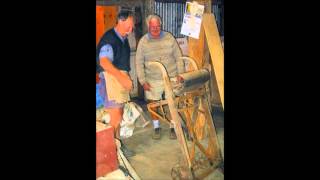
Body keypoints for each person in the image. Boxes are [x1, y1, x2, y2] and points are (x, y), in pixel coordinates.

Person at [135, 14, 185, 140]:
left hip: (171, 76)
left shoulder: (169, 38)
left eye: (158, 26)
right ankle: (156, 127)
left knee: (173, 102)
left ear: (161, 25)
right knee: (154, 104)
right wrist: (142, 81)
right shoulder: (143, 42)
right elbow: (138, 62)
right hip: (153, 78)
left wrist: (181, 73)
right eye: (153, 27)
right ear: (148, 26)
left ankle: (173, 127)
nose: (156, 29)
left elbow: (178, 57)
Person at [96, 10, 135, 157]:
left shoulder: (122, 38)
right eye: (129, 26)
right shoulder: (109, 39)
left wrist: (125, 77)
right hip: (111, 79)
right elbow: (104, 62)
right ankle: (106, 153)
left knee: (119, 114)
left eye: (132, 27)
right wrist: (122, 78)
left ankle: (117, 146)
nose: (131, 30)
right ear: (120, 21)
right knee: (116, 117)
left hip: (118, 78)